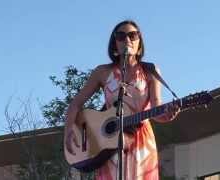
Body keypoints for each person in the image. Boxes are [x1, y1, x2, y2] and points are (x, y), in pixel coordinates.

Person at [65, 20, 180, 180]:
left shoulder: (150, 71)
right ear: (114, 45)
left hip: (141, 143)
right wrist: (69, 130)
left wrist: (168, 115)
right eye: (121, 36)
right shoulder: (102, 72)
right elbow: (75, 104)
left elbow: (157, 109)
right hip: (108, 145)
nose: (127, 40)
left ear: (139, 43)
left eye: (133, 35)